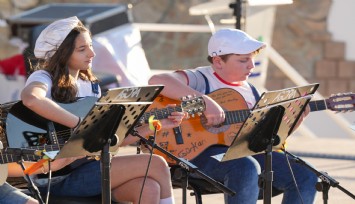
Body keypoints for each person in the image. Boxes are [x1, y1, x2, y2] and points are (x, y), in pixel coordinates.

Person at [9, 16, 185, 204]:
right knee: (157, 164)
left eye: (91, 46)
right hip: (54, 176)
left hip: (89, 169)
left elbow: (109, 140)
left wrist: (154, 126)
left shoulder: (91, 86)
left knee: (148, 188)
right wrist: (80, 124)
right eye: (82, 49)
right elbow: (31, 98)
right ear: (62, 53)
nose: (92, 53)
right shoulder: (44, 77)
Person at [148, 28, 318, 204]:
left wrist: (293, 122)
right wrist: (205, 101)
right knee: (246, 167)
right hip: (195, 153)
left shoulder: (252, 92)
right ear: (218, 61)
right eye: (243, 60)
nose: (251, 66)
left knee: (305, 175)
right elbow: (157, 81)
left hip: (241, 152)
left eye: (252, 59)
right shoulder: (201, 78)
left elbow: (262, 140)